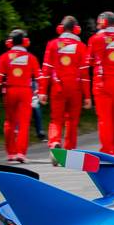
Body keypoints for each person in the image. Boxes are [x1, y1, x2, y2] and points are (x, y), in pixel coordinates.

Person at [0, 29, 42, 163]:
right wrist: (41, 93)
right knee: (24, 123)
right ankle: (21, 153)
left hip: (10, 91)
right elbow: (39, 78)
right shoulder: (31, 58)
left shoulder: (4, 57)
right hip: (25, 92)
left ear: (9, 42)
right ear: (25, 42)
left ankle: (11, 153)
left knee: (9, 122)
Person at [40, 15, 91, 152]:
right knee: (72, 121)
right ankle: (70, 149)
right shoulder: (81, 47)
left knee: (56, 119)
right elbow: (85, 74)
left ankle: (54, 142)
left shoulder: (52, 44)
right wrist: (87, 96)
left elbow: (46, 69)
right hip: (75, 89)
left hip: (57, 88)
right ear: (76, 29)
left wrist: (42, 91)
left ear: (61, 28)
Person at [87, 11, 114, 156]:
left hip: (102, 81)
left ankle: (107, 150)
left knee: (104, 119)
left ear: (103, 22)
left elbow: (89, 60)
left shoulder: (95, 39)